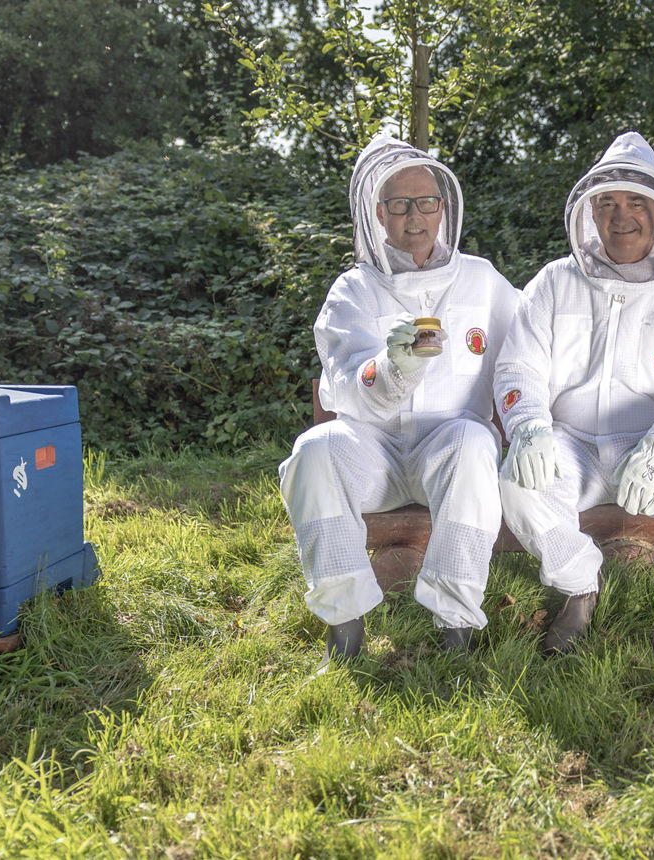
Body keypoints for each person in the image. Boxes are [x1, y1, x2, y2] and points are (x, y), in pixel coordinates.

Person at [494, 131, 654, 675]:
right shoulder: (553, 283)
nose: (622, 217)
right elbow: (519, 366)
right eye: (608, 203)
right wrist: (527, 427)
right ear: (589, 213)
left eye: (637, 203)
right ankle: (578, 588)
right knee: (516, 480)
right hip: (573, 450)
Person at [279, 134, 518, 664]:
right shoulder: (353, 291)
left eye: (427, 201)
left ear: (444, 207)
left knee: (474, 441)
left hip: (450, 455)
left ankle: (456, 623)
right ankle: (344, 625)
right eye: (399, 204)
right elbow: (341, 382)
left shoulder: (482, 281)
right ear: (376, 215)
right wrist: (391, 369)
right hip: (375, 454)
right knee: (313, 451)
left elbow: (533, 350)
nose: (416, 216)